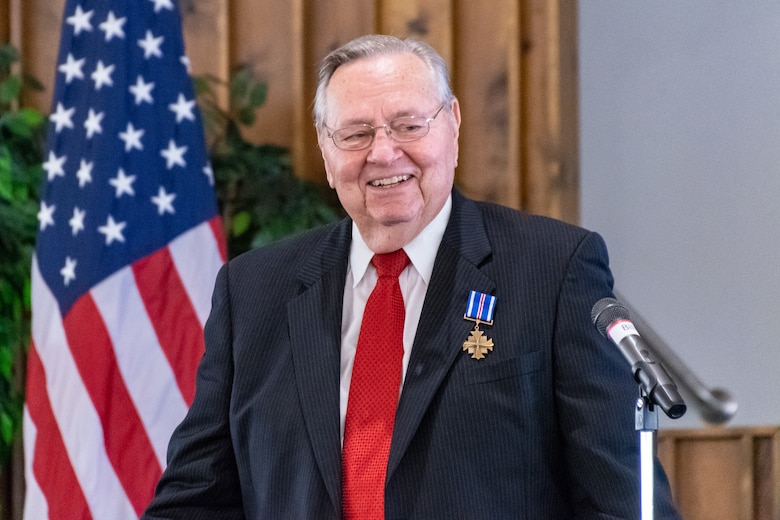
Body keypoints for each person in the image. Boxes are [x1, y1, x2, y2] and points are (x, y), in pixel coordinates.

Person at [142, 34, 681, 519]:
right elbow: (196, 499)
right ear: (326, 153)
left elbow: (622, 504)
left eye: (408, 125)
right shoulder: (253, 291)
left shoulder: (553, 268)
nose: (383, 152)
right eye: (354, 134)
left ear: (452, 124)